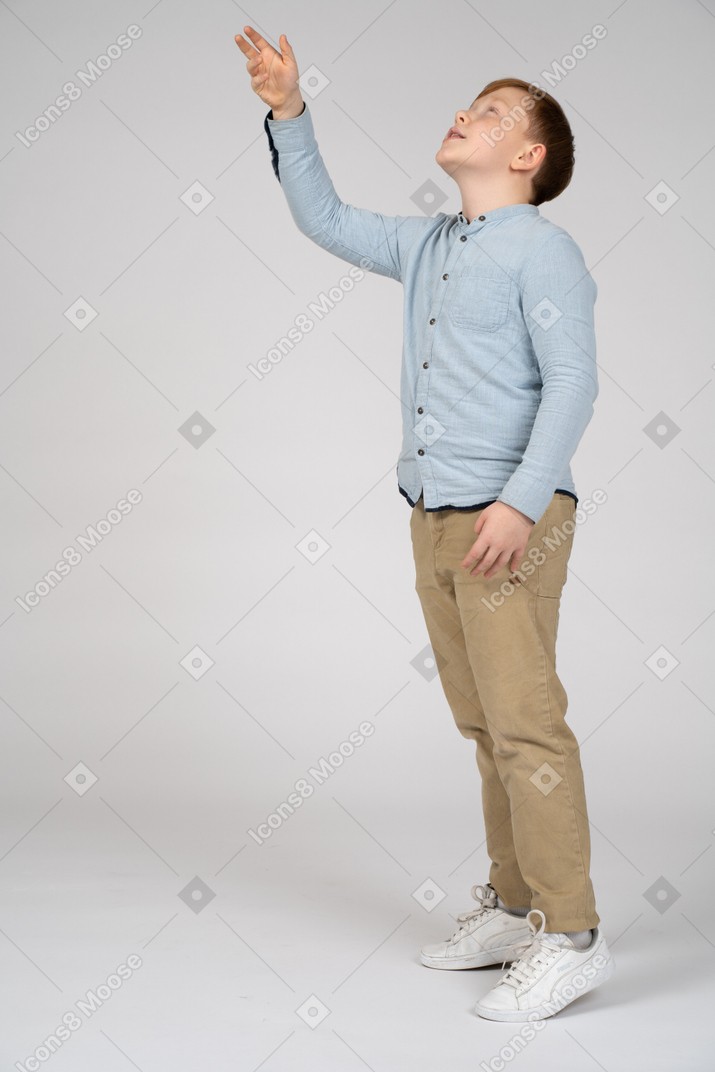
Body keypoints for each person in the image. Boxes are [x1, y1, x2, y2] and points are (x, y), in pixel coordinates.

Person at [234, 26, 615, 1021]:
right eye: (467, 104)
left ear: (526, 155)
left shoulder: (545, 248)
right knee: (483, 722)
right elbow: (323, 218)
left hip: (513, 519)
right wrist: (288, 111)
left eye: (490, 112)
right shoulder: (428, 242)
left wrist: (522, 500)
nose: (464, 115)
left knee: (527, 721)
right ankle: (516, 901)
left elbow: (574, 381)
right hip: (434, 516)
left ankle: (571, 934)